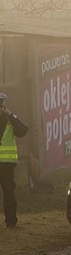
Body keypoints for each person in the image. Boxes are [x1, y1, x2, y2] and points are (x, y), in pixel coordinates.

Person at [0, 93, 29, 229]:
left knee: (8, 192)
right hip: (6, 163)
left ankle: (11, 221)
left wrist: (11, 116)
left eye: (1, 105)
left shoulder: (10, 119)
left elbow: (23, 130)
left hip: (6, 163)